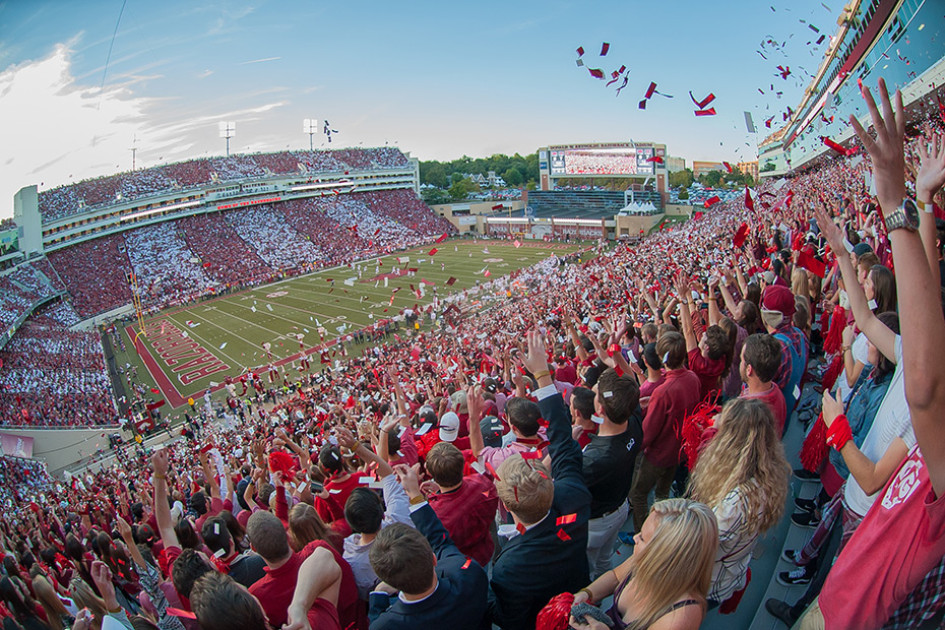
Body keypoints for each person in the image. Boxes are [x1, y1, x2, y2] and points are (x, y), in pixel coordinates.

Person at [791, 76, 945, 629]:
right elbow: (875, 313)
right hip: (856, 528)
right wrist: (918, 205)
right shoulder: (916, 356)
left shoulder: (932, 413)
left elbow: (924, 388)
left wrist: (895, 204)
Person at [488, 330, 592, 630]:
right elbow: (561, 439)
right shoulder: (574, 495)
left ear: (508, 507)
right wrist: (543, 377)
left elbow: (510, 619)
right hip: (577, 594)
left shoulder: (509, 565)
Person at [688, 398, 789, 606]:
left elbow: (700, 546)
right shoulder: (765, 472)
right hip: (730, 570)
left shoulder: (737, 502)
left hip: (709, 582)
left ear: (730, 439)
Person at [364, 464, 489, 630]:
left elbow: (377, 623)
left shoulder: (385, 624)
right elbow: (440, 541)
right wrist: (414, 494)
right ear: (434, 559)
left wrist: (378, 596)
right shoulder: (468, 574)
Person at [569, 499, 718, 630]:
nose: (634, 537)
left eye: (642, 538)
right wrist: (587, 593)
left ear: (663, 556)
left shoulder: (680, 617)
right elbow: (615, 576)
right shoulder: (643, 560)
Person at [629, 331, 701, 532]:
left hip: (659, 454)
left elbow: (648, 434)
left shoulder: (663, 391)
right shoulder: (692, 377)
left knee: (638, 494)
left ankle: (644, 534)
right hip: (679, 449)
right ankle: (663, 526)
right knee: (662, 492)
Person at [581, 368, 642, 579]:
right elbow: (630, 382)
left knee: (586, 570)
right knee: (605, 559)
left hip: (597, 523)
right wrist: (615, 357)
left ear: (601, 410)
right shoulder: (633, 420)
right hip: (620, 507)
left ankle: (592, 602)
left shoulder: (595, 459)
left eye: (596, 393)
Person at [425, 401, 499, 567]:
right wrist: (473, 419)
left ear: (430, 473)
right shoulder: (484, 484)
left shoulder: (435, 515)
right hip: (485, 552)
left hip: (459, 568)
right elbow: (479, 455)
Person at [738, 333, 788, 435]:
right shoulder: (777, 392)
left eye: (741, 360)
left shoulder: (745, 414)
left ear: (749, 370)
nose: (740, 364)